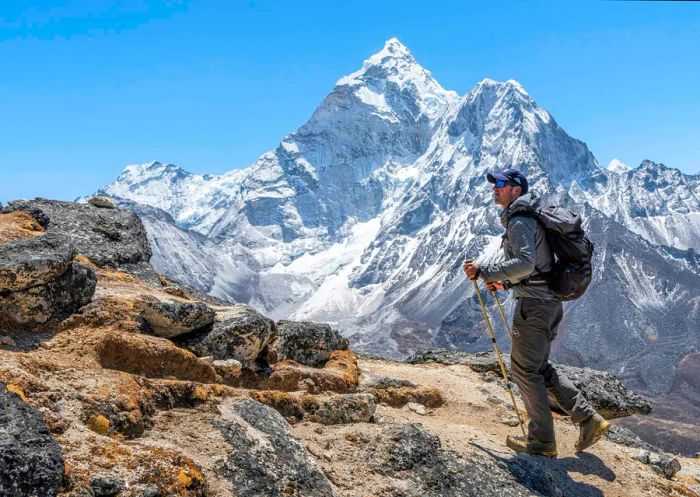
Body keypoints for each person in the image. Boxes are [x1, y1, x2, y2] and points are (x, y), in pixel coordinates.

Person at [463, 168, 609, 457]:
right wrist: (504, 282)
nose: (495, 188)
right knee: (539, 366)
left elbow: (526, 263)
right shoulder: (529, 218)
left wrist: (484, 270)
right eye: (495, 184)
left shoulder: (519, 221)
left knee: (523, 369)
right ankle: (588, 418)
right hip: (548, 301)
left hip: (534, 306)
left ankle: (542, 441)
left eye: (501, 184)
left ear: (516, 189)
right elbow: (536, 266)